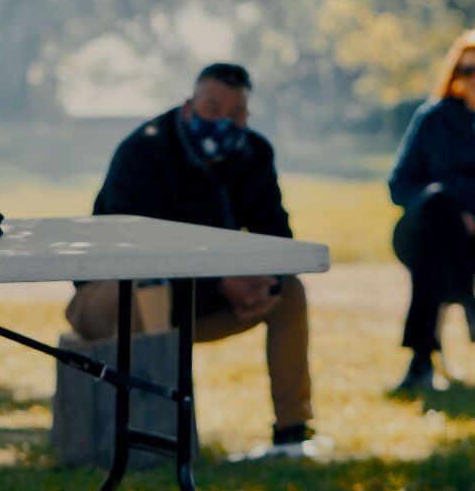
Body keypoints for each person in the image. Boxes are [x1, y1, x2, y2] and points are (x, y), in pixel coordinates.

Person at [66, 63, 323, 459]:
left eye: (236, 113)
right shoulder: (143, 151)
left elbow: (276, 234)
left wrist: (266, 280)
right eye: (212, 108)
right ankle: (167, 440)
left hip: (194, 305)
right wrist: (220, 283)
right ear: (190, 105)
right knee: (148, 290)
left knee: (290, 292)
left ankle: (293, 433)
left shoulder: (253, 153)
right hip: (111, 301)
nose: (224, 121)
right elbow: (133, 251)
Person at [387, 28, 475, 394]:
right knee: (437, 206)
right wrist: (452, 207)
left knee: (434, 246)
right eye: (467, 71)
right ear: (456, 77)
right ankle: (471, 307)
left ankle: (420, 361)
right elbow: (399, 184)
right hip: (419, 228)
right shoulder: (434, 118)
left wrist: (472, 214)